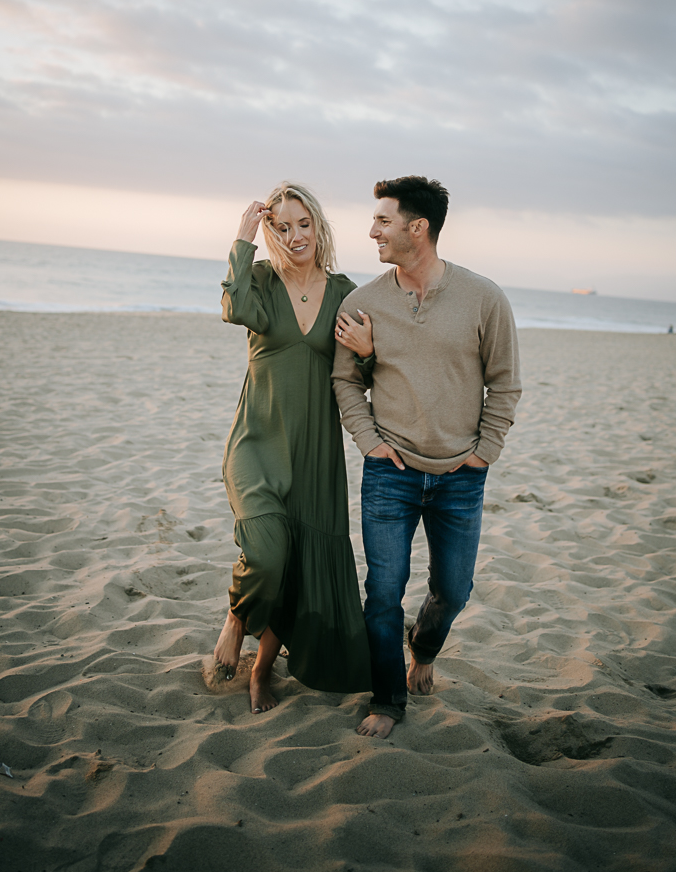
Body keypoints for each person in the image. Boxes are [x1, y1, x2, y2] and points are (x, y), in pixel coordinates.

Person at [332, 175, 521, 738]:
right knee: (383, 593)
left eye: (383, 222)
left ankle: (425, 648)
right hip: (389, 472)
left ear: (419, 228)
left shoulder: (484, 298)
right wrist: (370, 442)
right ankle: (387, 700)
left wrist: (484, 452)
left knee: (454, 590)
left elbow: (505, 384)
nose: (372, 232)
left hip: (461, 475)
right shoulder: (362, 302)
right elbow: (346, 382)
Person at [213, 181, 371, 714]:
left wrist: (368, 351)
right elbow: (232, 307)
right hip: (258, 441)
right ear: (269, 231)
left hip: (315, 454)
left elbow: (362, 370)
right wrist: (242, 237)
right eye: (281, 225)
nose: (294, 234)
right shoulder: (259, 280)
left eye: (303, 223)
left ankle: (262, 671)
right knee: (265, 552)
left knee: (299, 565)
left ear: (319, 226)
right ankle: (237, 617)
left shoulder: (347, 291)